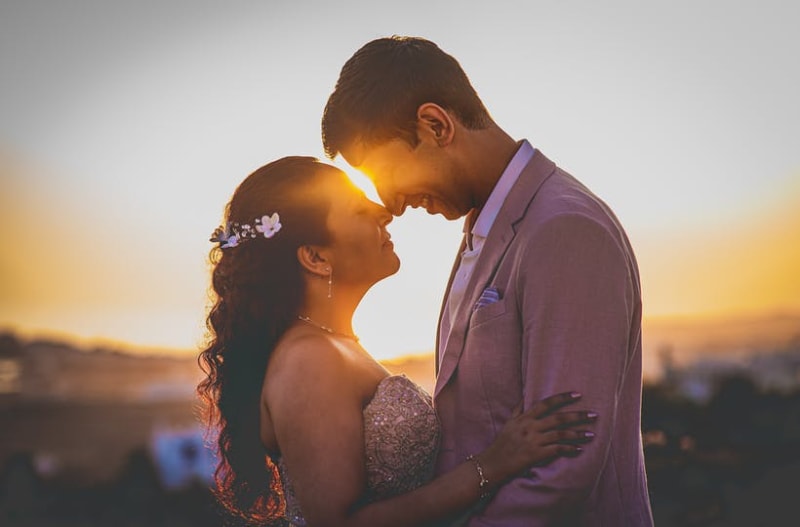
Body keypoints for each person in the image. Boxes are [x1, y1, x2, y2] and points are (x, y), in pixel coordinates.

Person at [322, 36, 654, 526]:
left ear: (435, 125)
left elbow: (566, 463)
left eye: (384, 171)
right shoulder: (487, 224)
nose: (389, 203)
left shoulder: (565, 227)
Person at [197, 156, 596, 527]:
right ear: (316, 258)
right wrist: (493, 465)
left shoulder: (332, 345)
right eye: (358, 208)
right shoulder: (308, 359)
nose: (384, 212)